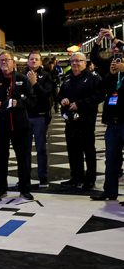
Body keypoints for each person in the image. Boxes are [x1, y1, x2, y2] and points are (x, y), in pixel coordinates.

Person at [0, 51, 34, 200]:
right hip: (1, 126)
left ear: (13, 63)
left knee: (23, 158)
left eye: (6, 60)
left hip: (20, 126)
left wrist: (18, 103)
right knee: (2, 158)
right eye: (1, 60)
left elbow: (31, 100)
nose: (4, 62)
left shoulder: (22, 79)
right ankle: (1, 189)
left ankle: (25, 189)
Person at [58, 51, 104, 191]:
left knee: (88, 150)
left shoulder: (93, 78)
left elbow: (99, 96)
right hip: (70, 121)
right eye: (73, 61)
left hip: (86, 120)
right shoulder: (67, 79)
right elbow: (60, 95)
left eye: (79, 61)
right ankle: (76, 177)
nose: (75, 63)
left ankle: (90, 179)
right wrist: (62, 100)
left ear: (85, 62)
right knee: (73, 150)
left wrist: (80, 104)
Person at [91, 56, 124, 201]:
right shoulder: (114, 77)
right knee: (110, 159)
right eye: (115, 62)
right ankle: (110, 191)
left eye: (120, 61)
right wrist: (110, 74)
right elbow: (102, 88)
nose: (117, 64)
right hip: (112, 123)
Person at [24, 51, 56, 187]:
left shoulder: (46, 76)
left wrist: (35, 83)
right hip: (25, 116)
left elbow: (46, 94)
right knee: (24, 150)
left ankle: (43, 177)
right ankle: (24, 177)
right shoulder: (21, 75)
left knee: (41, 149)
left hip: (40, 116)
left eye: (36, 59)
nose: (33, 61)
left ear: (40, 62)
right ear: (28, 61)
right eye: (31, 59)